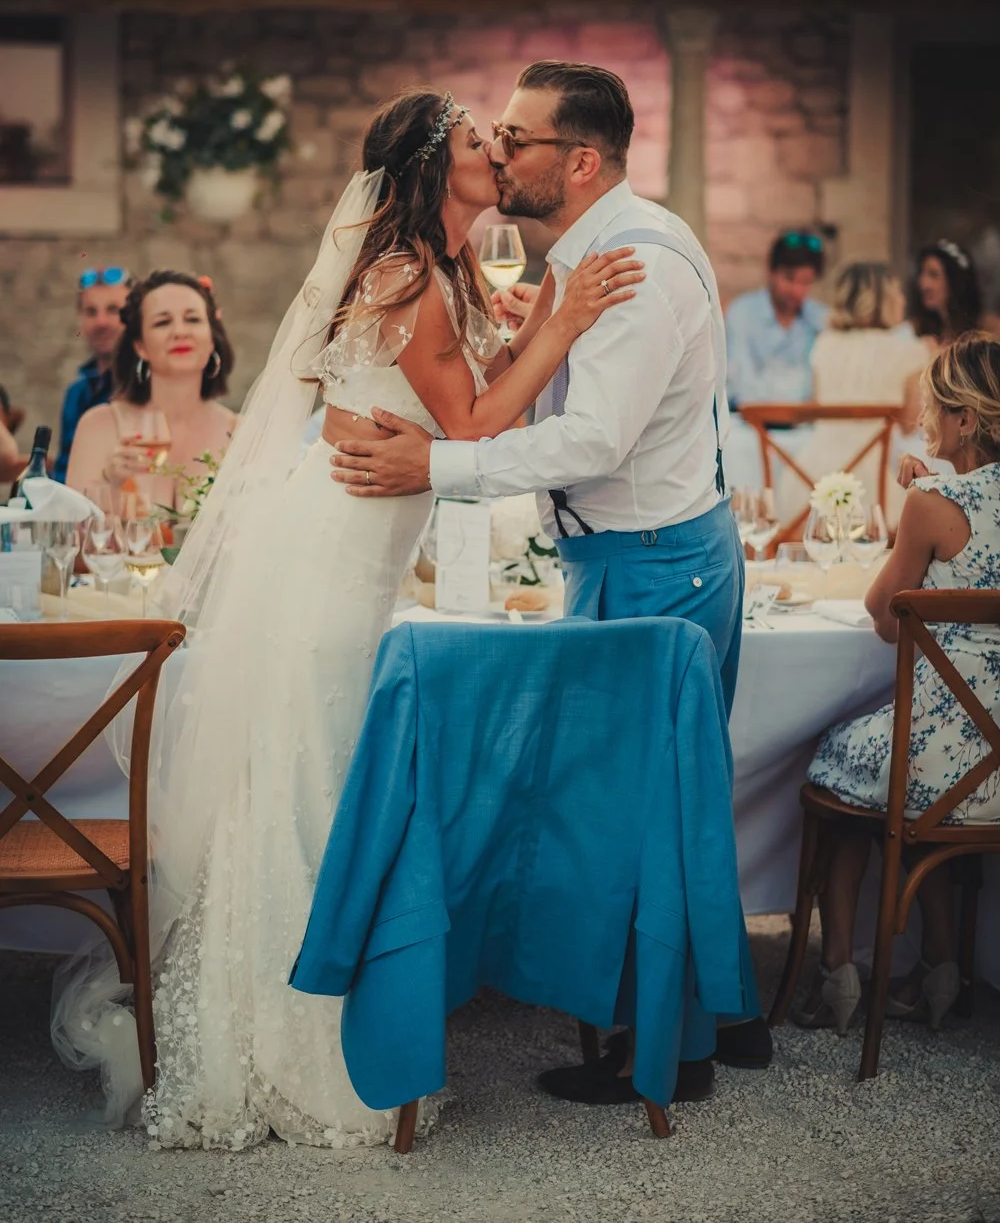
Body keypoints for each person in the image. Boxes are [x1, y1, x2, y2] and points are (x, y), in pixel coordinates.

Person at [53, 89, 641, 1149]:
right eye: (476, 143)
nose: (496, 154)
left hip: (361, 555)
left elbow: (460, 406)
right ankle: (292, 1049)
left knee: (317, 779)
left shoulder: (448, 270)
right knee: (311, 786)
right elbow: (467, 424)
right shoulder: (410, 275)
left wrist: (525, 336)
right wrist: (565, 320)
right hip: (330, 559)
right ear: (434, 169)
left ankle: (328, 1022)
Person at [328, 60, 768, 1105]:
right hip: (642, 551)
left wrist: (432, 466)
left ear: (577, 161)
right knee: (658, 800)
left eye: (516, 139)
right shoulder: (596, 251)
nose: (497, 151)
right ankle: (711, 1019)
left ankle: (670, 1052)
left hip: (651, 561)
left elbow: (592, 441)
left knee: (630, 810)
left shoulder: (635, 264)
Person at [800, 333, 1000, 1033]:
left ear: (966, 421)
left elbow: (885, 620)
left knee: (839, 763)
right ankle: (942, 969)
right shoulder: (940, 495)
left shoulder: (932, 506)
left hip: (942, 759)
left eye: (932, 407)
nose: (923, 419)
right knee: (919, 794)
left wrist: (918, 511)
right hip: (995, 764)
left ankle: (839, 975)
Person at [775, 262, 931, 528]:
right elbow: (910, 425)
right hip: (875, 492)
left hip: (811, 485)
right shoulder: (909, 350)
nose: (903, 299)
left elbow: (816, 402)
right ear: (884, 300)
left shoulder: (824, 344)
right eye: (897, 292)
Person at [65, 271, 237, 513]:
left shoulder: (239, 433)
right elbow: (71, 540)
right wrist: (110, 482)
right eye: (162, 322)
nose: (179, 331)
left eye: (193, 319)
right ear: (141, 346)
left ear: (211, 340)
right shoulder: (98, 426)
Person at [724, 231, 828, 410]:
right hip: (749, 426)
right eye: (789, 279)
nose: (796, 290)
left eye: (805, 282)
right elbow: (740, 385)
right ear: (770, 272)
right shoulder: (742, 313)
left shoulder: (820, 318)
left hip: (806, 426)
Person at [53, 266, 133, 482]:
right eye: (91, 312)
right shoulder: (75, 394)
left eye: (114, 310)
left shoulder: (147, 386)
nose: (101, 322)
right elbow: (63, 472)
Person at [907, 239, 1000, 345]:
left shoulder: (988, 328)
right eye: (921, 274)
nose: (923, 284)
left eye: (933, 275)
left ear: (955, 281)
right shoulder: (917, 328)